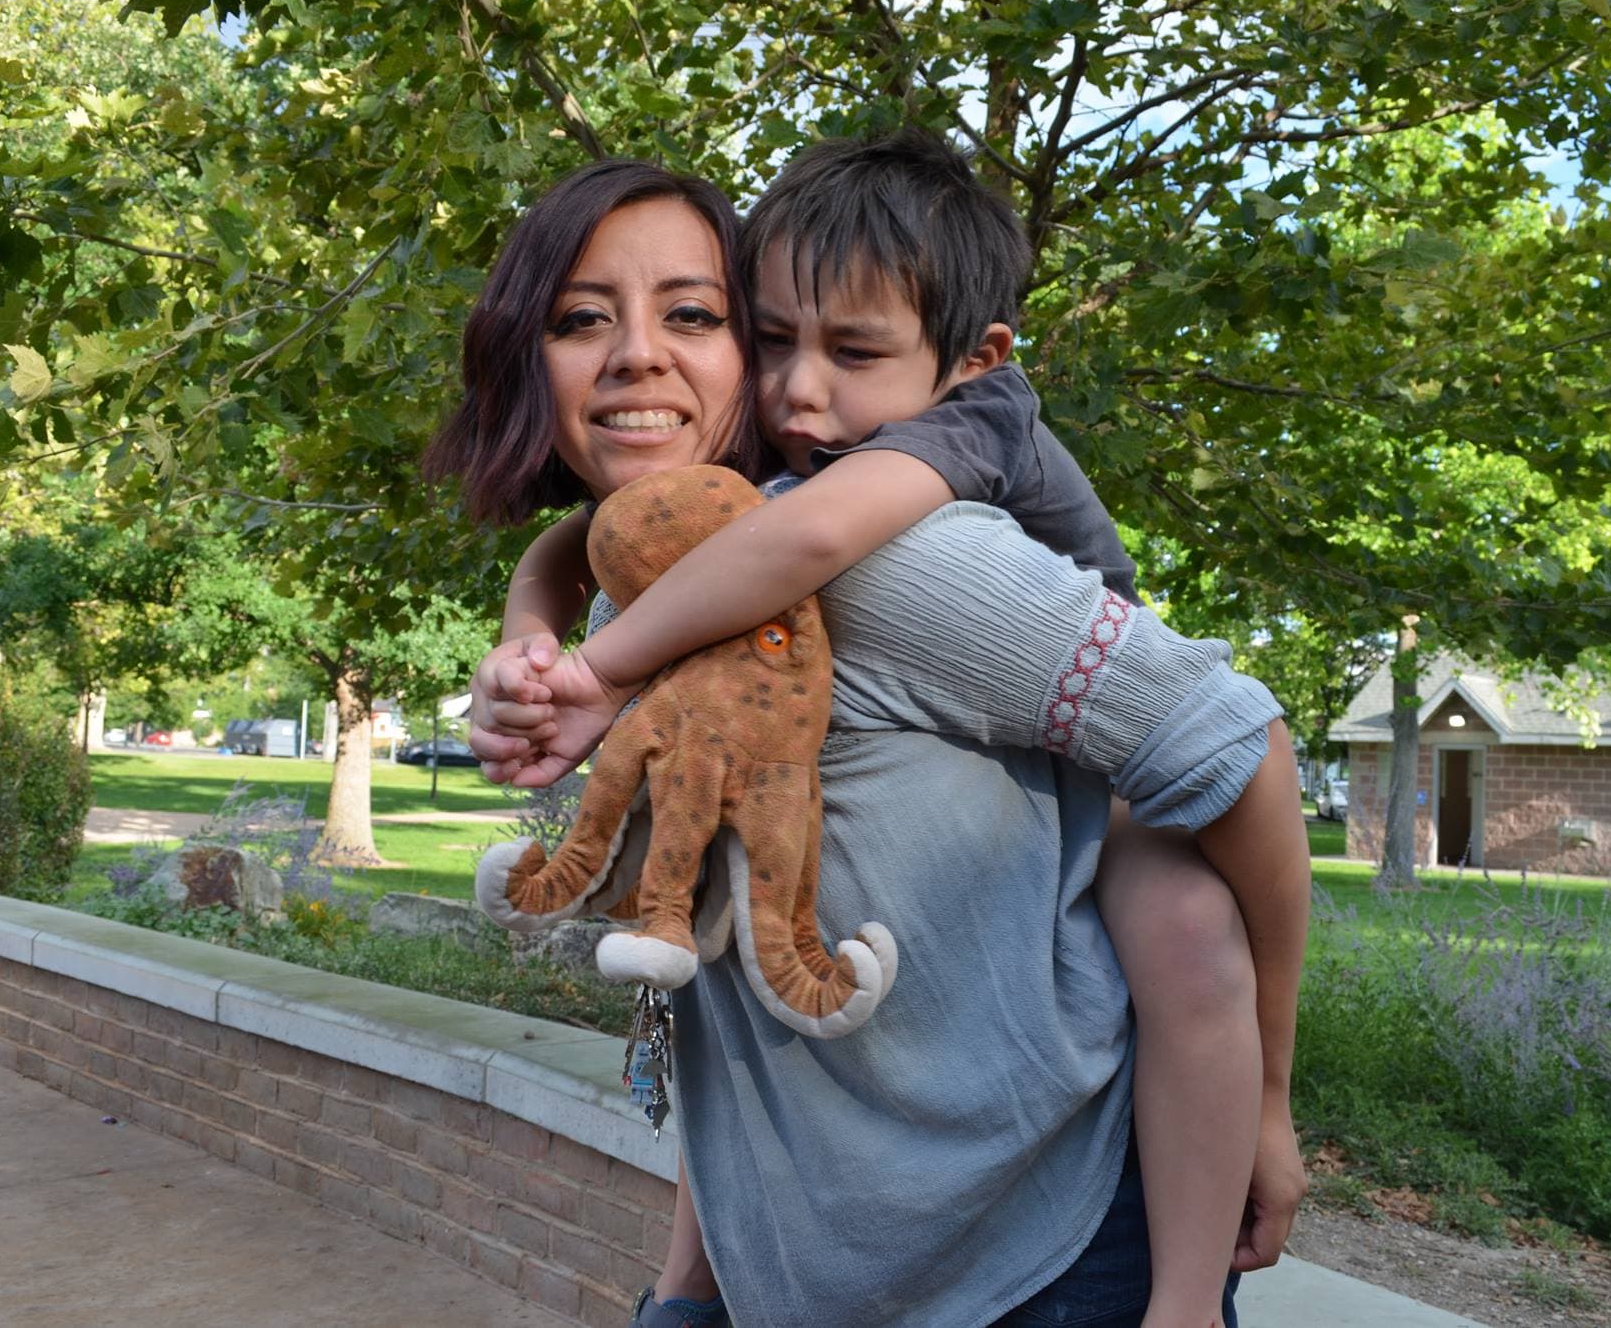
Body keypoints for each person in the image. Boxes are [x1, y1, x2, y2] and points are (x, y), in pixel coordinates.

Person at [428, 156, 1311, 1328]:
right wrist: (531, 634)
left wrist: (1269, 1103)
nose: (639, 352)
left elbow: (1244, 752)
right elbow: (727, 934)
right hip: (810, 1268)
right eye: (580, 318)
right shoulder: (668, 569)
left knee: (1182, 921)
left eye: (692, 315)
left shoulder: (886, 548)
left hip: (1045, 1268)